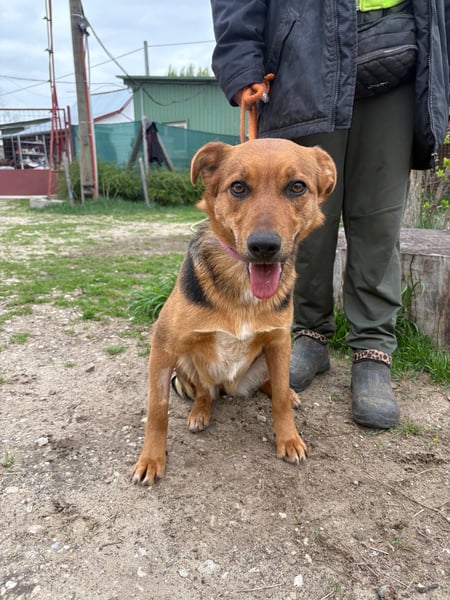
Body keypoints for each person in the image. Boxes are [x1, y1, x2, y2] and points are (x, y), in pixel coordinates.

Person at [209, 0, 450, 428]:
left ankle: (373, 348)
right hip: (305, 54)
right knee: (299, 222)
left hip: (399, 51)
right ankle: (308, 332)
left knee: (379, 220)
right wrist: (241, 59)